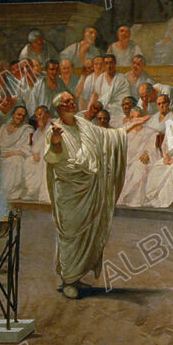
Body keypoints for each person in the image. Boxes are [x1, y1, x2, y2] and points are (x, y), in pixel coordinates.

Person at [44, 92, 126, 299]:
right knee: (71, 233)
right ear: (59, 108)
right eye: (67, 102)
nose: (72, 103)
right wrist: (55, 142)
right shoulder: (53, 129)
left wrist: (125, 131)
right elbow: (55, 160)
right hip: (69, 190)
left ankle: (75, 275)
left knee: (86, 232)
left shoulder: (84, 125)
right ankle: (68, 280)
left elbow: (106, 137)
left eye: (72, 100)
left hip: (89, 188)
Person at [118, 107, 157, 207]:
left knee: (139, 167)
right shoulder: (124, 133)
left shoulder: (150, 132)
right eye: (132, 117)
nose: (135, 120)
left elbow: (152, 149)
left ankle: (136, 201)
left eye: (138, 117)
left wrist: (147, 154)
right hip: (126, 161)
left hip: (141, 160)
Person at [0, 105, 32, 201]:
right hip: (0, 155)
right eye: (18, 114)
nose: (20, 117)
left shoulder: (27, 129)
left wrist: (9, 154)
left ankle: (9, 193)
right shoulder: (3, 128)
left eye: (23, 116)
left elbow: (26, 149)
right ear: (13, 115)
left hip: (16, 155)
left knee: (16, 161)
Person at [24, 105, 51, 202]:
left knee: (44, 162)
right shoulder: (38, 131)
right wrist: (35, 153)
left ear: (47, 115)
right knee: (28, 162)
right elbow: (34, 146)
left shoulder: (53, 125)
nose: (38, 117)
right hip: (38, 156)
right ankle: (32, 191)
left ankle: (45, 194)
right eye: (37, 116)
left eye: (40, 114)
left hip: (50, 154)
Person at [93, 54, 133, 118]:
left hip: (119, 111)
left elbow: (125, 96)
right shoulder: (100, 79)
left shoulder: (121, 79)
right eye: (106, 63)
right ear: (104, 65)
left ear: (115, 64)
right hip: (103, 111)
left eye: (111, 63)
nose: (109, 66)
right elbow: (96, 95)